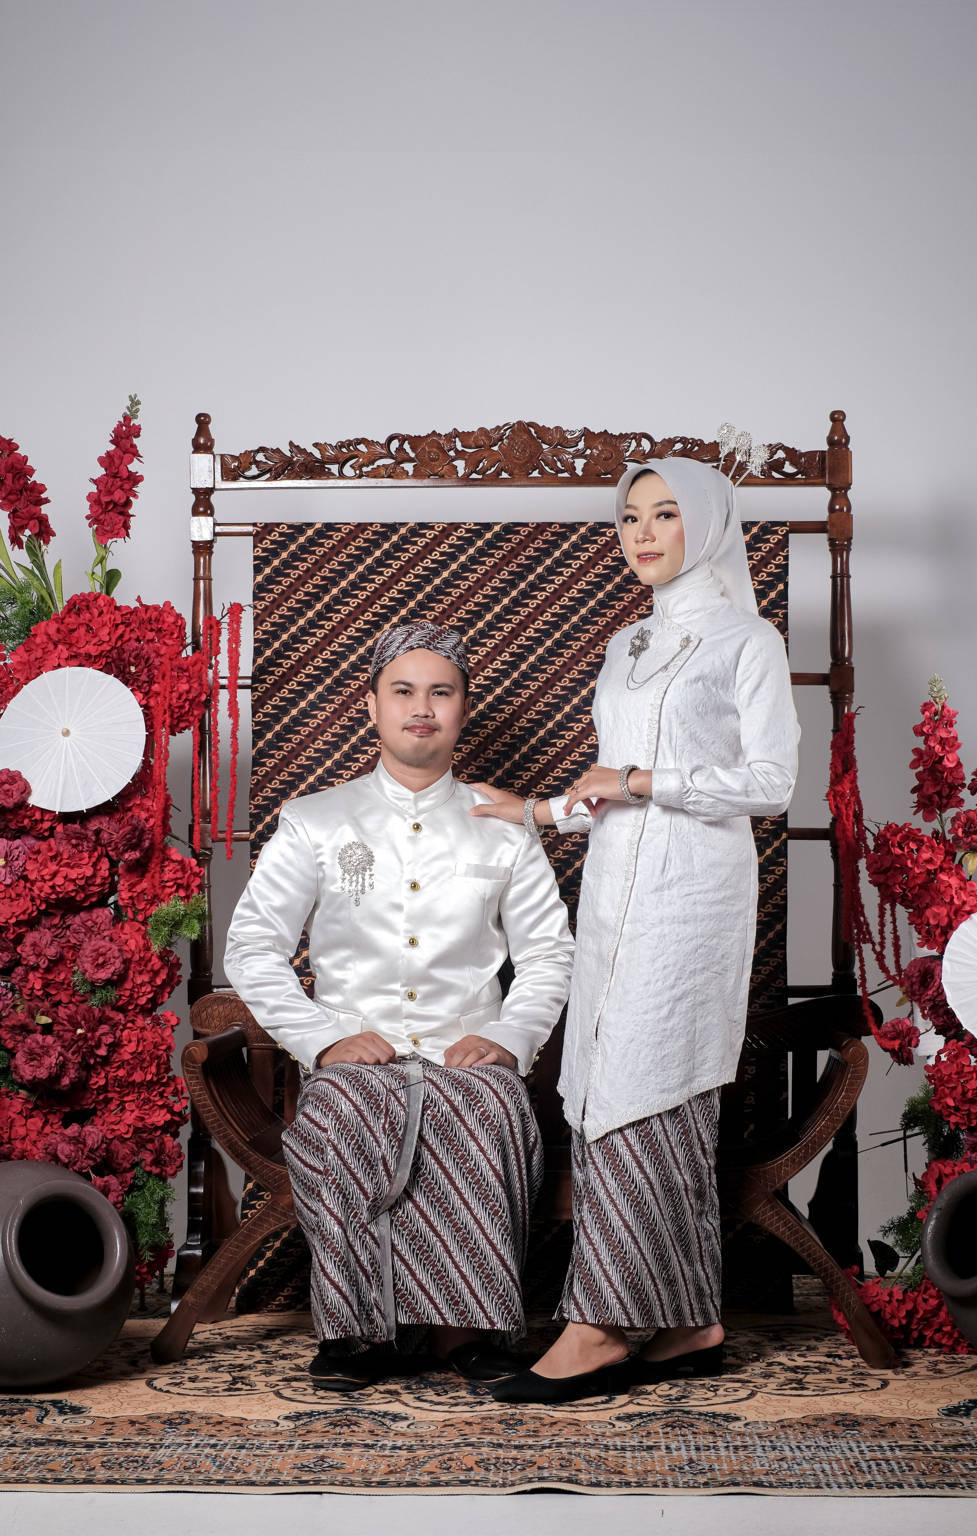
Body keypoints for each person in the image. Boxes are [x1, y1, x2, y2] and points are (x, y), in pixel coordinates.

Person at [470, 458, 800, 1402]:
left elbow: (773, 783)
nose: (642, 533)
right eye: (628, 518)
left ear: (709, 524)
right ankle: (691, 1320)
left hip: (692, 899)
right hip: (614, 892)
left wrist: (648, 782)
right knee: (603, 1079)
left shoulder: (748, 641)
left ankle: (601, 1327)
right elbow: (607, 784)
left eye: (664, 514)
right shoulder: (626, 645)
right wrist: (536, 811)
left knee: (645, 1085)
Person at [223, 621, 574, 1390]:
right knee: (343, 1109)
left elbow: (550, 954)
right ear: (371, 707)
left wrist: (510, 1036)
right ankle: (358, 1333)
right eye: (403, 691)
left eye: (440, 693)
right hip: (355, 1049)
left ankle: (468, 1330)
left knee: (489, 1107)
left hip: (466, 1049)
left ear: (463, 709)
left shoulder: (506, 829)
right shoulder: (316, 820)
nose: (422, 708)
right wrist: (323, 1039)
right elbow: (250, 948)